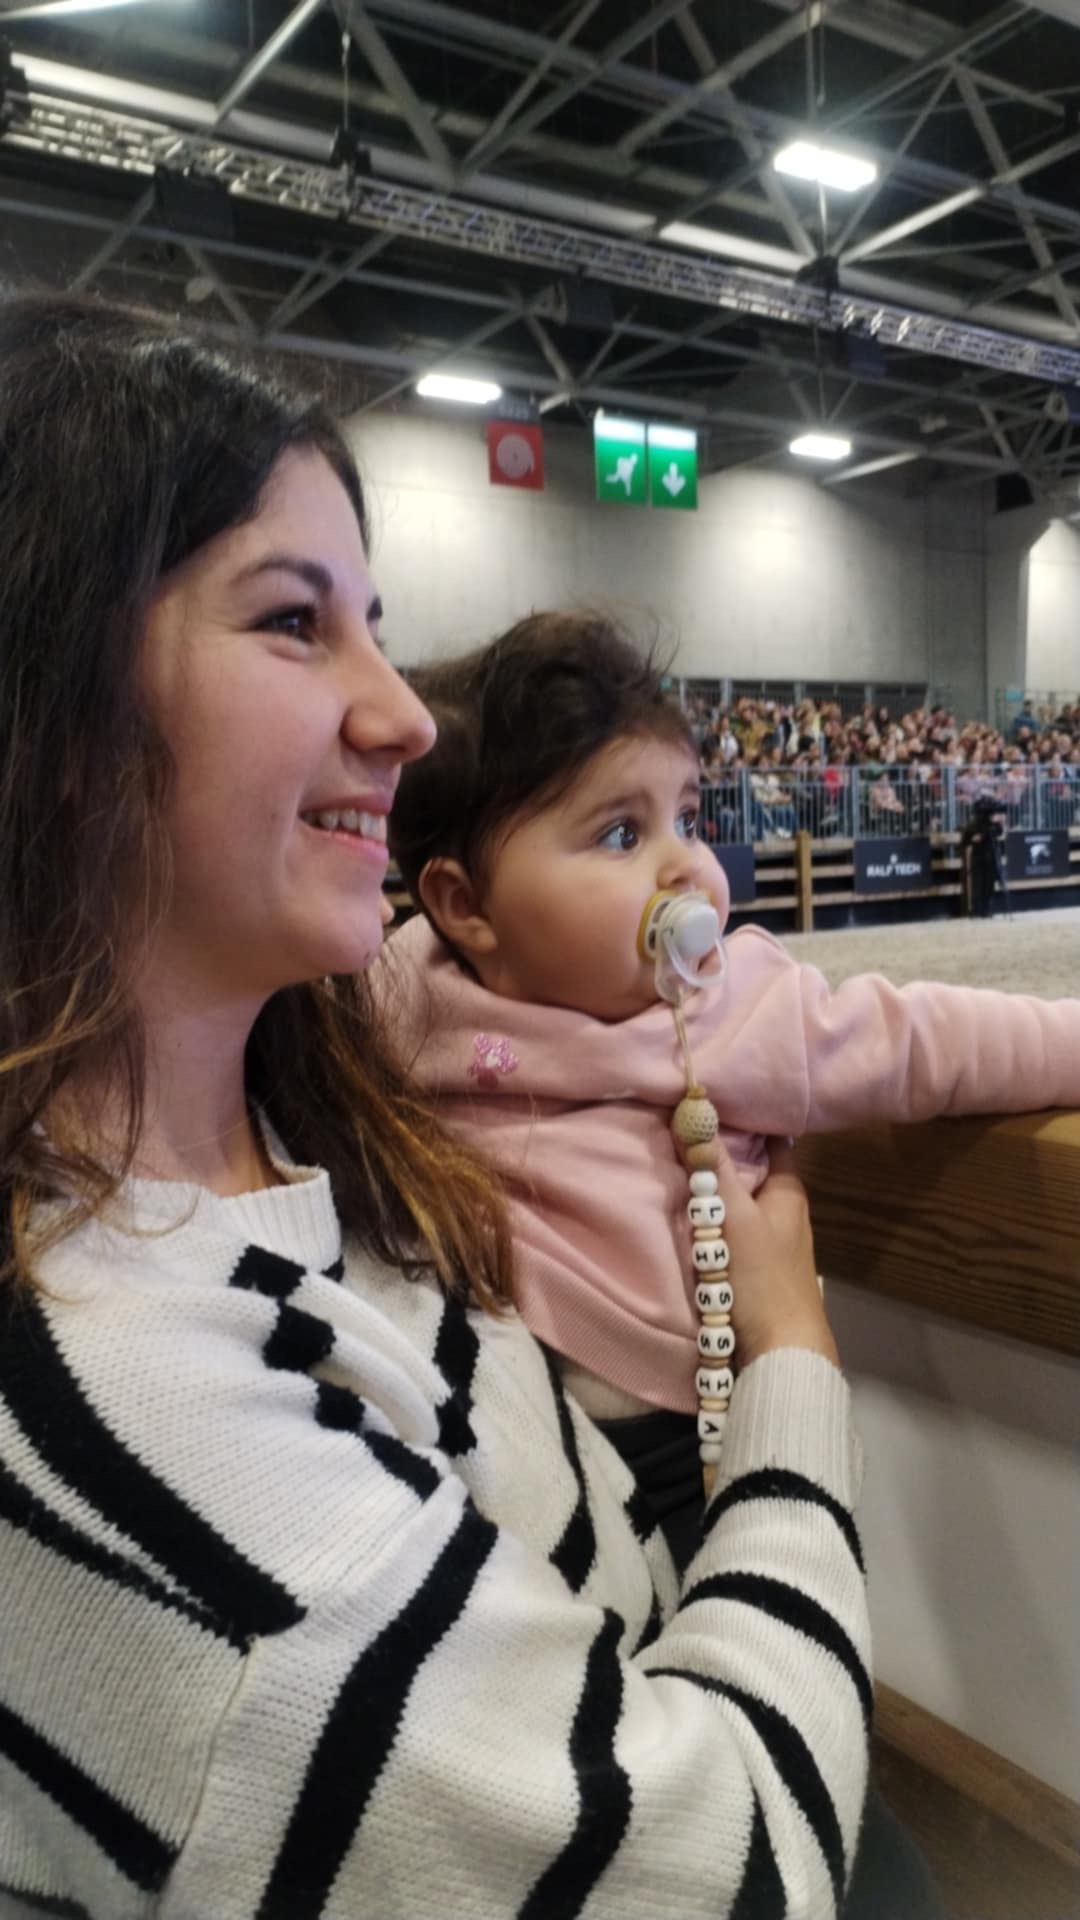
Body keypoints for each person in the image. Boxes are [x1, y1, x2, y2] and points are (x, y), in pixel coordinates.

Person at [0, 293, 874, 1920]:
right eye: (293, 622)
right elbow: (743, 1867)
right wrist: (792, 1359)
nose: (404, 716)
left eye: (376, 626)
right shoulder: (166, 1443)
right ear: (56, 714)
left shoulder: (309, 1123)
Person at [381, 613, 1080, 1517]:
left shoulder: (732, 1010)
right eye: (621, 835)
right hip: (490, 1433)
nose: (685, 864)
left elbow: (928, 1040)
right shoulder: (397, 994)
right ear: (465, 906)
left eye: (688, 818)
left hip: (674, 1428)